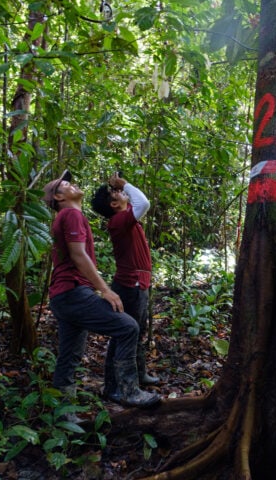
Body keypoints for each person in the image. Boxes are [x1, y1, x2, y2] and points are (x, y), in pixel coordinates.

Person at [43, 169, 160, 408]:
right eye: (65, 184)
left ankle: (62, 413)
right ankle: (127, 391)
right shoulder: (71, 215)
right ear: (58, 197)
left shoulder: (68, 216)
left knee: (70, 354)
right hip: (73, 291)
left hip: (64, 295)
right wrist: (105, 290)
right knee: (128, 327)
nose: (72, 185)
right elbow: (78, 255)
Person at [90, 173, 160, 403]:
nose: (123, 193)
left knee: (135, 331)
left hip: (136, 284)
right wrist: (123, 184)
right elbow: (144, 202)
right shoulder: (119, 221)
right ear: (113, 204)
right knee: (125, 334)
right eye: (118, 194)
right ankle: (118, 386)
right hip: (130, 285)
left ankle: (138, 376)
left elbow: (139, 203)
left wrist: (122, 188)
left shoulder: (125, 219)